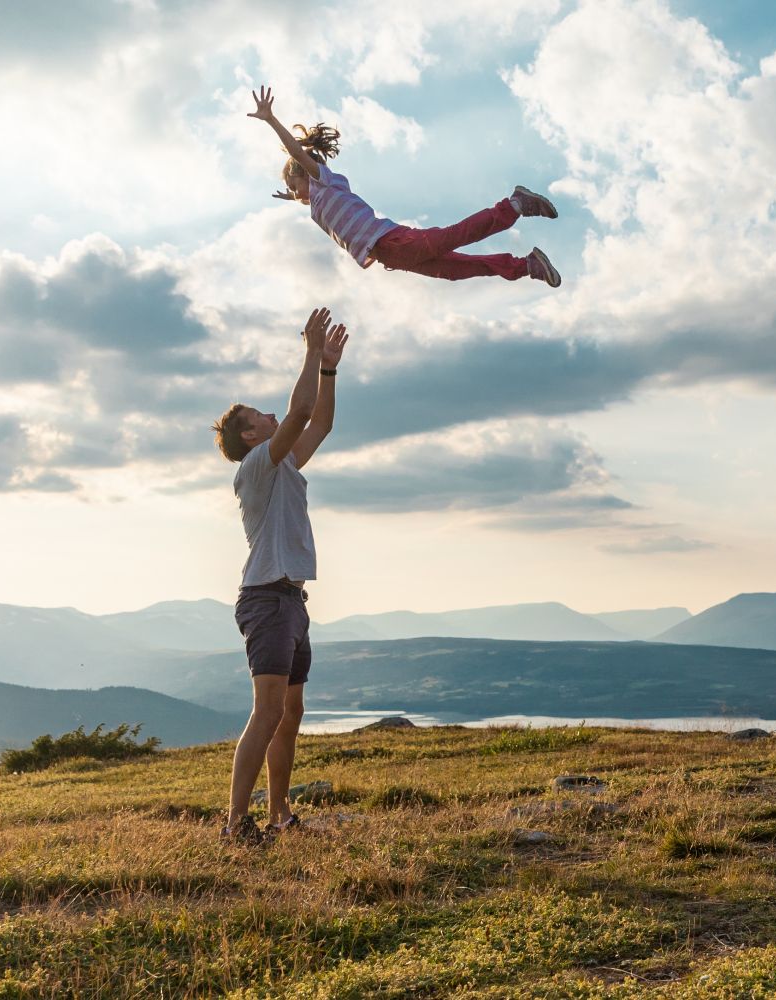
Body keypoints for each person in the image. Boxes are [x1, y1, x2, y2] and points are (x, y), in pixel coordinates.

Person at [211, 307, 349, 843]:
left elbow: (322, 423)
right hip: (266, 599)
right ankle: (235, 825)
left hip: (290, 598)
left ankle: (278, 816)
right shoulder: (256, 467)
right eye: (260, 416)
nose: (272, 414)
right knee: (267, 710)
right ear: (249, 437)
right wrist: (311, 350)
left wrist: (330, 368)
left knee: (289, 711)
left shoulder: (285, 463)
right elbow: (300, 410)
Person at [247, 86, 564, 287]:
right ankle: (526, 265)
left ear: (303, 172)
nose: (298, 194)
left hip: (393, 242)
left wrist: (271, 120)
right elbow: (306, 198)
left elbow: (296, 153)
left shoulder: (323, 179)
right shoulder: (315, 202)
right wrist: (291, 195)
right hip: (391, 257)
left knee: (457, 235)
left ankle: (515, 205)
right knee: (457, 270)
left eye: (294, 184)